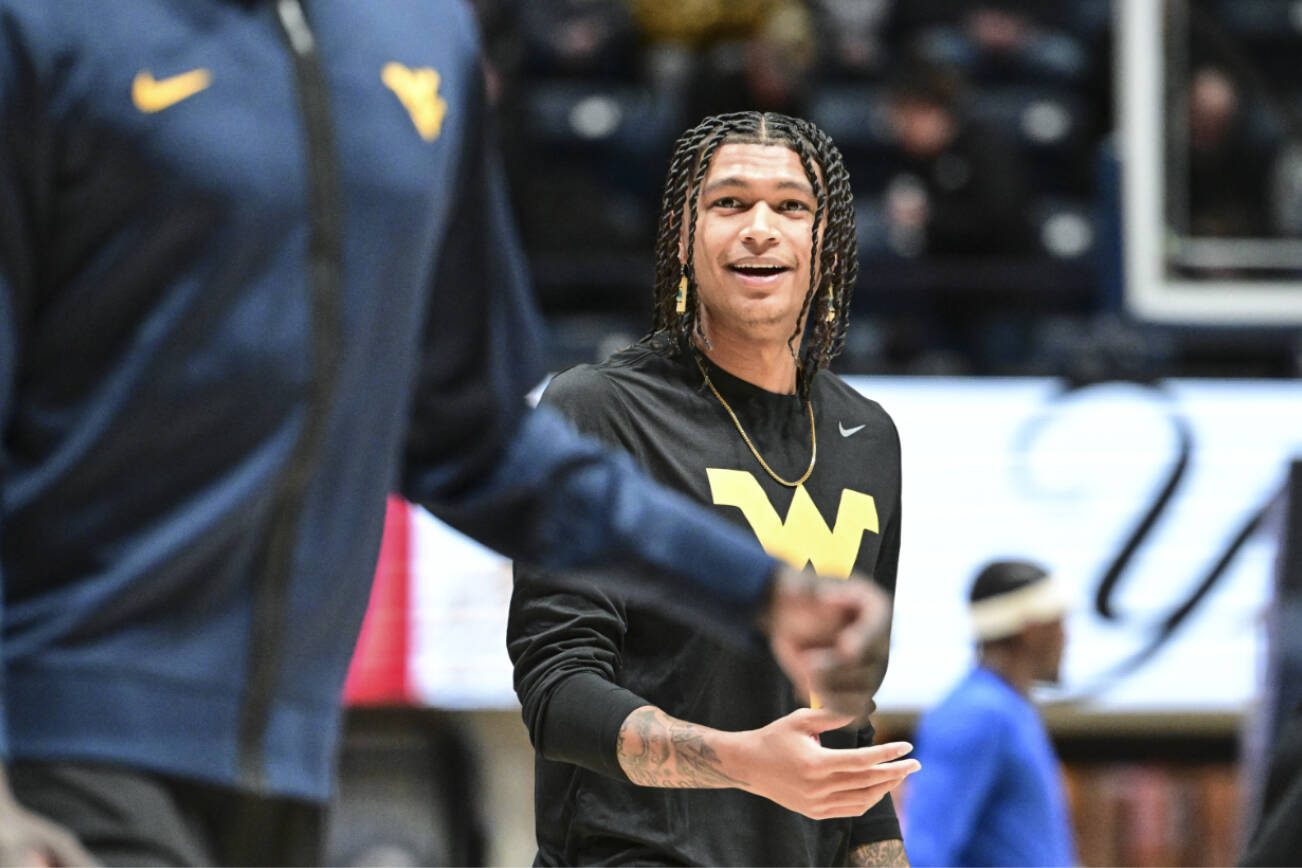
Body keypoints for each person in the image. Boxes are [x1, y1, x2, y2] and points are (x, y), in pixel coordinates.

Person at [0, 4, 890, 865]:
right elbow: (558, 683)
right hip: (53, 729)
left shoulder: (421, 36)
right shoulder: (48, 25)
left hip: (286, 768)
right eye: (731, 202)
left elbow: (475, 438)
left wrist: (759, 592)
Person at [508, 111, 916, 866]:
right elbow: (558, 693)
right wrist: (742, 763)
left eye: (791, 206)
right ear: (682, 234)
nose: (761, 228)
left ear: (825, 244)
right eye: (730, 203)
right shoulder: (598, 410)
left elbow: (846, 722)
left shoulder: (871, 438)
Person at [904, 560, 1075, 867]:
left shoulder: (1009, 709)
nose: (1067, 637)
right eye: (1059, 622)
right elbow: (924, 852)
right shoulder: (976, 715)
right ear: (1031, 629)